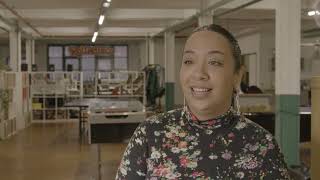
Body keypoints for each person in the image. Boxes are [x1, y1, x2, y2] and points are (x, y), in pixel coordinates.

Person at [115, 24, 290, 179]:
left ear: (237, 76)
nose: (199, 73)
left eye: (214, 62)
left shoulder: (261, 144)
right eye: (189, 61)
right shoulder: (150, 133)